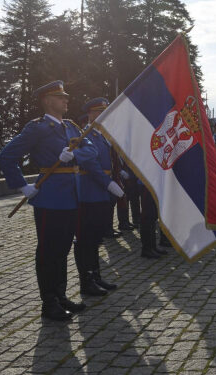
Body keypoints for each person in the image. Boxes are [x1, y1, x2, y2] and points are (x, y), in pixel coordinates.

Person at [0, 81, 96, 321]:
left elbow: (91, 150)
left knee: (62, 250)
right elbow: (6, 156)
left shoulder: (72, 126)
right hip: (49, 198)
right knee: (48, 251)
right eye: (60, 97)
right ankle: (48, 303)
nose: (66, 100)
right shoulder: (37, 129)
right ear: (47, 101)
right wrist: (22, 185)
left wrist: (74, 154)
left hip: (72, 196)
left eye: (65, 96)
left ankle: (60, 296)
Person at [74, 97, 125, 296]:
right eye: (101, 113)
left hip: (101, 192)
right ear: (91, 115)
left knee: (95, 239)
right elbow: (91, 166)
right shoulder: (84, 135)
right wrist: (109, 184)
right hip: (88, 193)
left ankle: (95, 275)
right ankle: (86, 281)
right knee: (85, 239)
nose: (105, 116)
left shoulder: (101, 136)